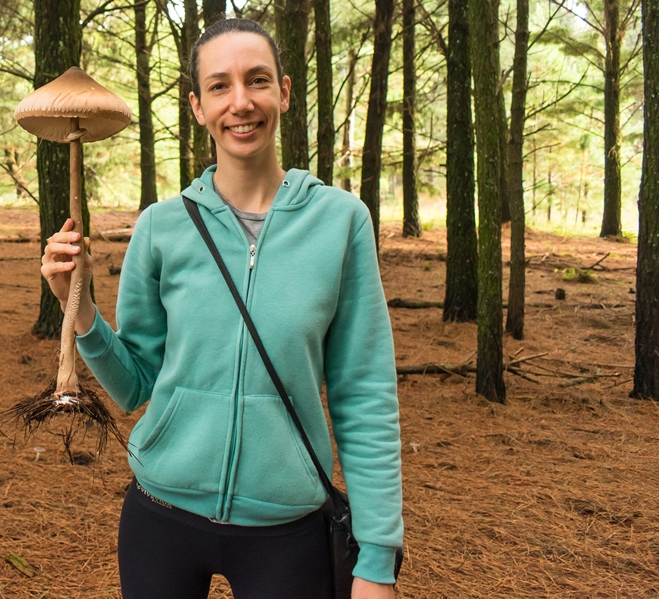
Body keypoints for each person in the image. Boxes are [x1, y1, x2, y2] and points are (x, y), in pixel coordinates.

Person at [41, 17, 403, 599]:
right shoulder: (161, 227)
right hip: (160, 518)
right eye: (219, 86)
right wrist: (77, 308)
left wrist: (377, 559)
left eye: (257, 80)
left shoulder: (340, 223)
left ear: (284, 92)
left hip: (287, 532)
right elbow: (136, 384)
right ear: (197, 106)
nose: (241, 102)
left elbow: (365, 395)